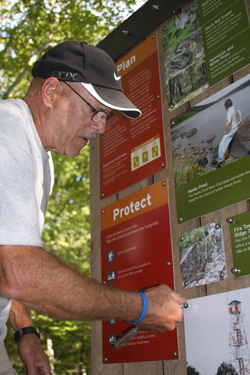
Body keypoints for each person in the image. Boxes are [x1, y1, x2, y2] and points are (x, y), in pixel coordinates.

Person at [0, 41, 186, 374]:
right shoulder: (7, 130)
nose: (101, 127)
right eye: (95, 111)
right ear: (52, 91)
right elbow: (18, 273)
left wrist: (25, 332)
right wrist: (140, 308)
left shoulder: (40, 159)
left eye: (106, 117)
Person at [217, 98, 242, 167]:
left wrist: (226, 131)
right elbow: (239, 112)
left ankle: (220, 160)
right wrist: (240, 121)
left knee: (222, 143)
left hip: (233, 130)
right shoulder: (234, 108)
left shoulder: (229, 111)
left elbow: (228, 122)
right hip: (237, 127)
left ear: (226, 106)